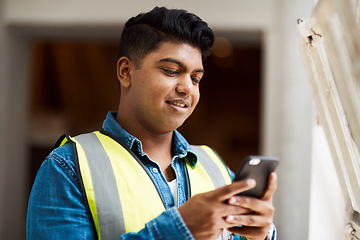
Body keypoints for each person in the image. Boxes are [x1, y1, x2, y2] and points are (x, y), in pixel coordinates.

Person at [26, 6, 277, 240]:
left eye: (196, 78)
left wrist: (262, 234)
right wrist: (178, 230)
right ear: (126, 72)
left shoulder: (215, 167)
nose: (187, 88)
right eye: (171, 71)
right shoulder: (67, 167)